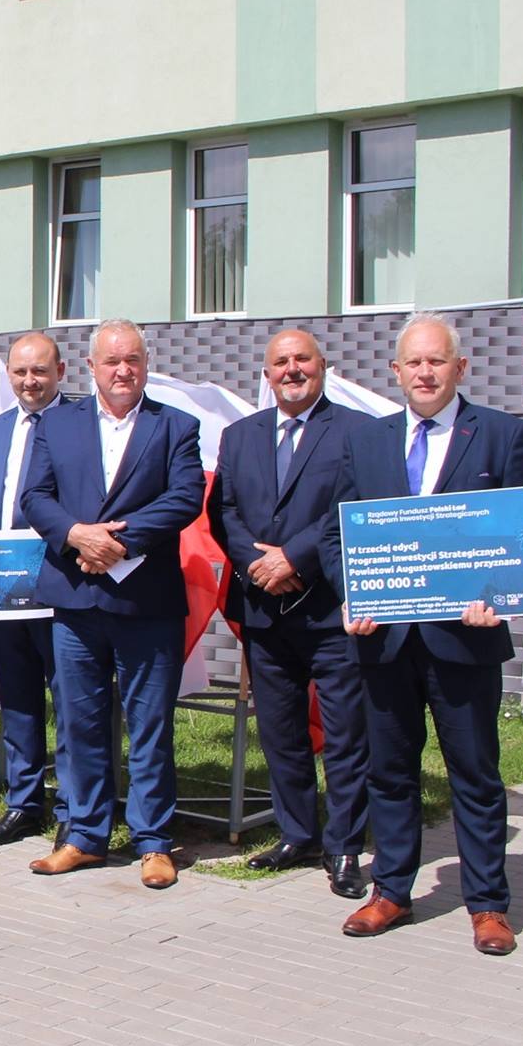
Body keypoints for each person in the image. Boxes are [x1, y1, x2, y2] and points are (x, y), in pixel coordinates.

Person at [330, 312, 523, 955]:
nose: (424, 373)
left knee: (475, 774)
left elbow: (521, 531)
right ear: (396, 371)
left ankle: (488, 904)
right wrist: (350, 594)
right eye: (413, 363)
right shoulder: (365, 441)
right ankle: (391, 891)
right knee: (389, 772)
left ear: (459, 368)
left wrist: (498, 594)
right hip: (384, 637)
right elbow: (338, 534)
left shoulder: (502, 435)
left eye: (436, 361)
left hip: (465, 639)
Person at [20, 320, 204, 889]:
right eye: (112, 361)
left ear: (145, 364)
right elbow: (34, 496)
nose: (123, 370)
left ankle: (153, 841)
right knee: (81, 723)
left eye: (133, 360)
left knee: (150, 726)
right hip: (76, 600)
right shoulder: (57, 423)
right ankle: (84, 836)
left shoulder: (175, 426)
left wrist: (118, 544)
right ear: (92, 367)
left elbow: (185, 497)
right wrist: (77, 535)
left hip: (147, 602)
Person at [209, 329, 369, 899]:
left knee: (346, 733)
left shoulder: (356, 432)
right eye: (281, 362)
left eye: (302, 359)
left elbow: (351, 508)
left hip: (328, 608)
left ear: (322, 366)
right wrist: (259, 565)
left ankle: (344, 845)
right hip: (263, 608)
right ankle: (297, 833)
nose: (292, 370)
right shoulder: (239, 435)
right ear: (267, 373)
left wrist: (295, 558)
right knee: (280, 731)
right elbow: (223, 511)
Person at [0, 332, 71, 847]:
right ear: (9, 375)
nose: (30, 381)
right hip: (2, 588)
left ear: (60, 371)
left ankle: (74, 809)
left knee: (70, 702)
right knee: (17, 698)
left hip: (61, 587)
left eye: (40, 371)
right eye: (20, 372)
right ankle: (23, 803)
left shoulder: (80, 426)